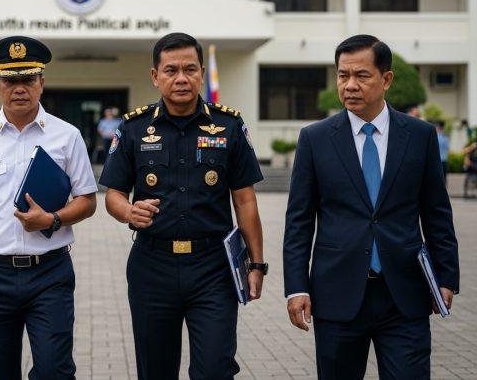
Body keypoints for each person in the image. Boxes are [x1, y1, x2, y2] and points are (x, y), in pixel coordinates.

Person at [283, 35, 459, 379]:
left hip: (405, 293)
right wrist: (297, 287)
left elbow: (437, 211)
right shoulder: (315, 139)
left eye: (361, 76)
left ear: (387, 79)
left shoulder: (419, 136)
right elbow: (299, 221)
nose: (349, 85)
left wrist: (447, 277)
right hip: (337, 293)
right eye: (342, 75)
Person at [99, 32, 267, 380]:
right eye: (171, 70)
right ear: (155, 76)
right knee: (156, 370)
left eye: (190, 69)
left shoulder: (228, 126)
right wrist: (128, 211)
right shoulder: (133, 128)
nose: (181, 78)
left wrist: (257, 264)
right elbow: (113, 194)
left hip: (213, 268)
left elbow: (245, 199)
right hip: (152, 266)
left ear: (202, 73)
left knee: (216, 368)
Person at [0, 36, 97, 380]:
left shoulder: (67, 135)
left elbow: (88, 201)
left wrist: (54, 219)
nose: (19, 88)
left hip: (50, 274)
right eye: (10, 80)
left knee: (53, 371)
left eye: (28, 79)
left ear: (41, 83)